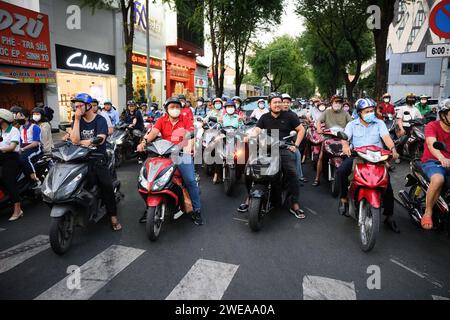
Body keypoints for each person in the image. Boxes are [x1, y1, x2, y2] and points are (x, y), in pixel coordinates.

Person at [337, 98, 400, 233]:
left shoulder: (380, 123)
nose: (370, 113)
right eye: (367, 111)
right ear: (359, 113)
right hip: (357, 155)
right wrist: (346, 146)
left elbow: (386, 138)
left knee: (387, 184)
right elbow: (345, 138)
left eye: (372, 111)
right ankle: (343, 199)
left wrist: (393, 150)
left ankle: (389, 216)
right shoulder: (352, 125)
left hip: (377, 157)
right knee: (341, 171)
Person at [238, 93, 306, 219]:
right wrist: (250, 137)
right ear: (269, 104)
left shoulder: (290, 116)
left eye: (279, 102)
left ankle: (294, 203)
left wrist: (295, 145)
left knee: (292, 174)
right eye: (275, 102)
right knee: (249, 168)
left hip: (284, 147)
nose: (278, 104)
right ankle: (249, 197)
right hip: (266, 147)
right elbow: (257, 130)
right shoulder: (264, 117)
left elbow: (301, 130)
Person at [137, 97, 203, 225]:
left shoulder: (185, 119)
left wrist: (187, 148)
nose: (175, 109)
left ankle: (196, 210)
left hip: (181, 153)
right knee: (148, 177)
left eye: (177, 107)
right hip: (163, 153)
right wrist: (144, 142)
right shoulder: (162, 120)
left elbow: (189, 135)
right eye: (172, 107)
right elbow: (153, 133)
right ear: (167, 109)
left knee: (190, 180)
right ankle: (149, 208)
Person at [69, 93, 122, 231]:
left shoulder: (100, 120)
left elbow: (100, 139)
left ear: (88, 106)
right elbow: (74, 140)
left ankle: (113, 216)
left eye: (80, 106)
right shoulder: (77, 120)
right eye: (76, 107)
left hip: (97, 157)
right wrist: (76, 120)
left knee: (106, 185)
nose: (77, 109)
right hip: (79, 158)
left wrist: (81, 142)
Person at [420, 99, 450, 230]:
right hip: (433, 161)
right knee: (438, 179)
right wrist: (441, 157)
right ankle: (428, 211)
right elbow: (432, 144)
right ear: (443, 114)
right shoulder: (432, 126)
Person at [312, 95, 352, 186]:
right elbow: (318, 121)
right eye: (336, 102)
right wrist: (318, 129)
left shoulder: (346, 113)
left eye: (339, 102)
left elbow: (351, 123)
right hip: (328, 137)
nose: (337, 104)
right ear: (332, 103)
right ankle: (317, 178)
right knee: (321, 157)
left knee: (349, 156)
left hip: (342, 138)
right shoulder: (327, 112)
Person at [0, 109, 24, 221]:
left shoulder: (13, 130)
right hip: (1, 157)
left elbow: (12, 147)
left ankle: (18, 209)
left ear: (2, 119)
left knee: (8, 180)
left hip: (11, 158)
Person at [282, 93, 307, 183]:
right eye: (283, 102)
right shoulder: (272, 114)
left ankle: (298, 176)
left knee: (297, 154)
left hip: (287, 141)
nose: (285, 104)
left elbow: (300, 130)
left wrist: (295, 144)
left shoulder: (293, 115)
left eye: (288, 102)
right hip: (272, 141)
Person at [17, 109, 42, 188]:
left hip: (35, 148)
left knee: (24, 158)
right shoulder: (20, 128)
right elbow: (20, 141)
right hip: (24, 147)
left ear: (27, 117)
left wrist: (23, 149)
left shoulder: (35, 127)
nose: (18, 119)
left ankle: (35, 179)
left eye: (20, 116)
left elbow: (35, 143)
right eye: (17, 117)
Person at [396, 93, 423, 163]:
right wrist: (401, 129)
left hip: (413, 127)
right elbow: (399, 120)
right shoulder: (402, 108)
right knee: (402, 142)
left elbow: (420, 118)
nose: (411, 100)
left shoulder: (416, 109)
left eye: (412, 98)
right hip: (404, 127)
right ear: (407, 99)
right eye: (409, 98)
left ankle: (413, 156)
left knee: (414, 141)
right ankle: (398, 156)